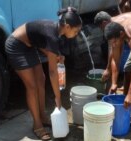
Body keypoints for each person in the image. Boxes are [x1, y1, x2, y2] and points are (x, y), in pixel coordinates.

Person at [5, 7, 82, 140]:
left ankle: (42, 115)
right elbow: (53, 72)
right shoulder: (53, 35)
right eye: (76, 31)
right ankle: (37, 124)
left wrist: (56, 55)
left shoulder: (57, 30)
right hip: (16, 46)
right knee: (32, 86)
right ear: (68, 27)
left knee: (41, 78)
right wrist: (58, 98)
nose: (76, 34)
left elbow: (42, 44)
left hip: (29, 45)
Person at [94, 11, 131, 101]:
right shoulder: (114, 30)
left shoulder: (126, 30)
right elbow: (115, 58)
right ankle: (125, 96)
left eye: (102, 28)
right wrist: (114, 83)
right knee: (128, 68)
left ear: (104, 23)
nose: (103, 31)